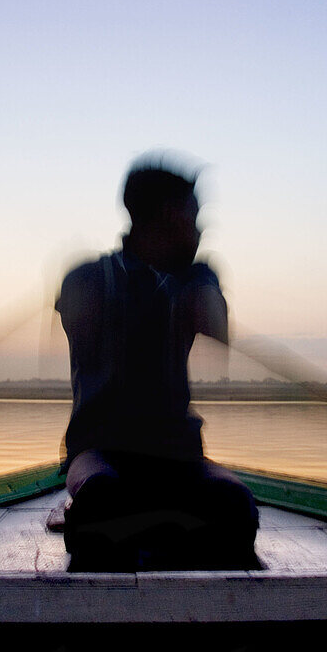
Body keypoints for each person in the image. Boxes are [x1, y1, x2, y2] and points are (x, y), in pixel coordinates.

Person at [55, 152, 260, 571]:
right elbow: (83, 326)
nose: (202, 228)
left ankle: (155, 528)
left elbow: (216, 328)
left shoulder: (197, 277)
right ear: (168, 216)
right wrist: (136, 295)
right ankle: (134, 525)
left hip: (178, 457)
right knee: (101, 506)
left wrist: (191, 287)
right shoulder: (90, 278)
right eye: (194, 215)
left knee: (237, 509)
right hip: (101, 451)